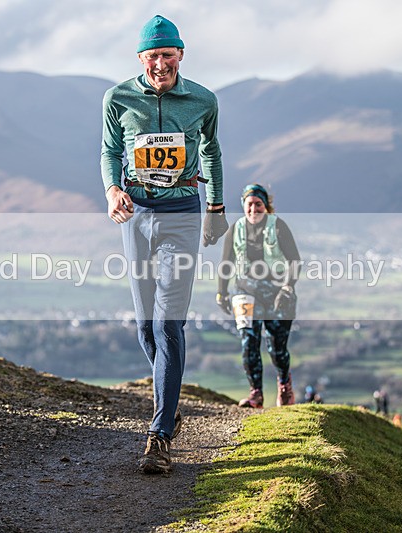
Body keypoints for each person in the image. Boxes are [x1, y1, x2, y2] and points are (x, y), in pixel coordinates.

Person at [101, 15, 228, 475]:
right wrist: (112, 189)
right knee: (145, 326)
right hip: (136, 216)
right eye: (152, 56)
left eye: (167, 56)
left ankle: (160, 435)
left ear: (180, 55)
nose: (160, 64)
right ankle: (169, 399)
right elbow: (109, 151)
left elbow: (211, 151)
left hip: (181, 217)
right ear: (140, 59)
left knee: (168, 322)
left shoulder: (202, 100)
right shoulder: (118, 98)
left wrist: (215, 207)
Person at [216, 184, 300, 408]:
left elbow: (294, 260)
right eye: (249, 204)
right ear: (243, 206)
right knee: (248, 342)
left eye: (258, 204)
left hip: (277, 292)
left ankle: (284, 384)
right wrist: (221, 293)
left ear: (266, 206)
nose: (254, 209)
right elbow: (226, 263)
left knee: (276, 347)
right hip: (244, 291)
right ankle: (256, 394)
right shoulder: (236, 229)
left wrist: (287, 288)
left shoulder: (278, 226)